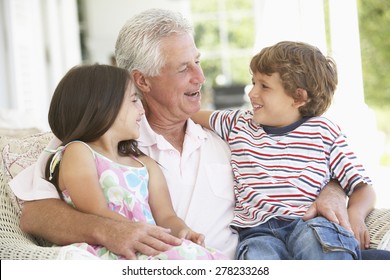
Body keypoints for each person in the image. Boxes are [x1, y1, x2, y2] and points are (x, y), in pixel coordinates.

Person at [10, 8, 354, 260]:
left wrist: (332, 189)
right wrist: (108, 229)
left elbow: (306, 150)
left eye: (198, 61)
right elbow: (35, 214)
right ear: (142, 80)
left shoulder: (238, 132)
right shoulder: (99, 136)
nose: (200, 77)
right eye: (183, 68)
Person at [191, 41, 376, 259]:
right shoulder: (237, 123)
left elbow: (362, 187)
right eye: (253, 83)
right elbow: (186, 113)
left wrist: (355, 215)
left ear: (299, 97)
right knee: (257, 259)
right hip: (257, 232)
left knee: (323, 251)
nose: (252, 93)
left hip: (310, 224)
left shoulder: (324, 132)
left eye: (264, 86)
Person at [42, 63, 226, 260]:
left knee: (206, 257)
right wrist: (145, 234)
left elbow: (166, 216)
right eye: (133, 100)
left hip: (147, 245)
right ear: (101, 105)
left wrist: (183, 231)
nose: (142, 110)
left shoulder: (145, 164)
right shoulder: (79, 152)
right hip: (114, 248)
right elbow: (95, 211)